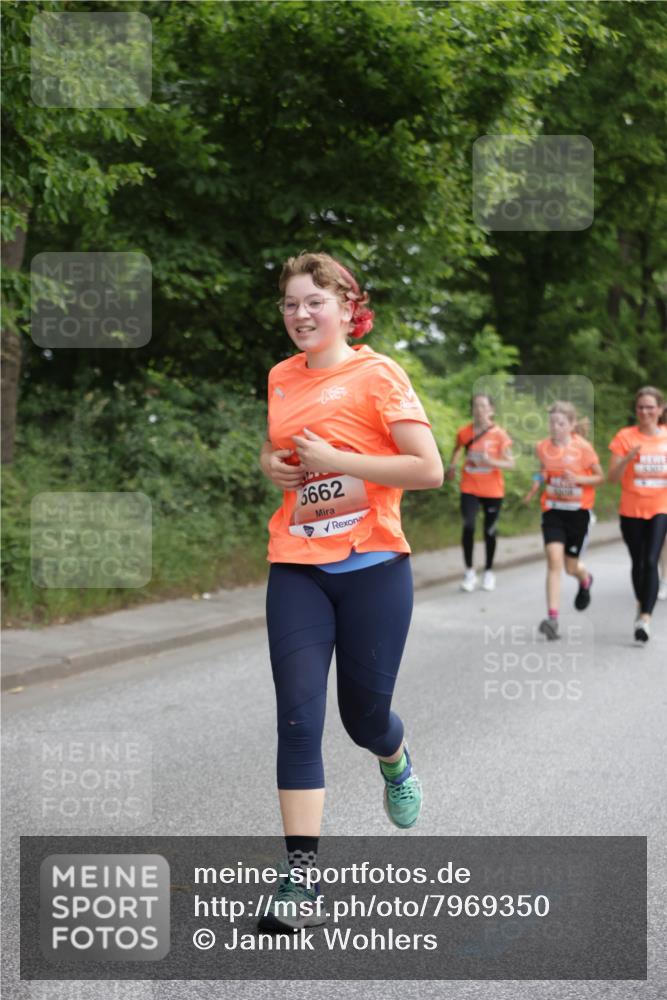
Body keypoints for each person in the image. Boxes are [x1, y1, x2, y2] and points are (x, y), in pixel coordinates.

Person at [258, 252, 443, 930]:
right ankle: (300, 880)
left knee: (363, 718)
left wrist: (338, 461)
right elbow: (281, 449)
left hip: (373, 567)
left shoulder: (379, 374)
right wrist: (271, 464)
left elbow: (427, 469)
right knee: (298, 719)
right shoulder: (281, 376)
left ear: (346, 307)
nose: (300, 314)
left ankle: (394, 759)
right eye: (290, 304)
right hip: (296, 564)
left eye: (314, 301)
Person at [523, 401, 603, 640]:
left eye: (560, 423)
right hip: (553, 511)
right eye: (552, 423)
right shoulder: (543, 447)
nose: (555, 427)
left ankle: (585, 579)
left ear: (571, 424)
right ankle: (553, 619)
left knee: (571, 567)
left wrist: (578, 478)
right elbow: (543, 470)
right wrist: (535, 485)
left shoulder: (584, 448)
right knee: (554, 561)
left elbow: (600, 477)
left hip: (577, 513)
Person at [608, 386, 667, 642]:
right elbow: (612, 478)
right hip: (631, 509)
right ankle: (641, 603)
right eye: (640, 407)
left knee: (651, 560)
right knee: (638, 562)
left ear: (660, 410)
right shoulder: (625, 437)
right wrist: (627, 459)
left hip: (661, 507)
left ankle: (645, 618)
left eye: (650, 407)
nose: (645, 412)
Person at [445, 394, 514, 592]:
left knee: (489, 531)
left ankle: (489, 572)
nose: (479, 410)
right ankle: (469, 572)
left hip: (493, 490)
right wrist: (452, 466)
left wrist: (491, 462)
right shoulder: (464, 432)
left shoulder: (500, 435)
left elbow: (511, 463)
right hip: (469, 487)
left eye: (483, 406)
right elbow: (457, 449)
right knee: (468, 526)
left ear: (491, 410)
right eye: (475, 406)